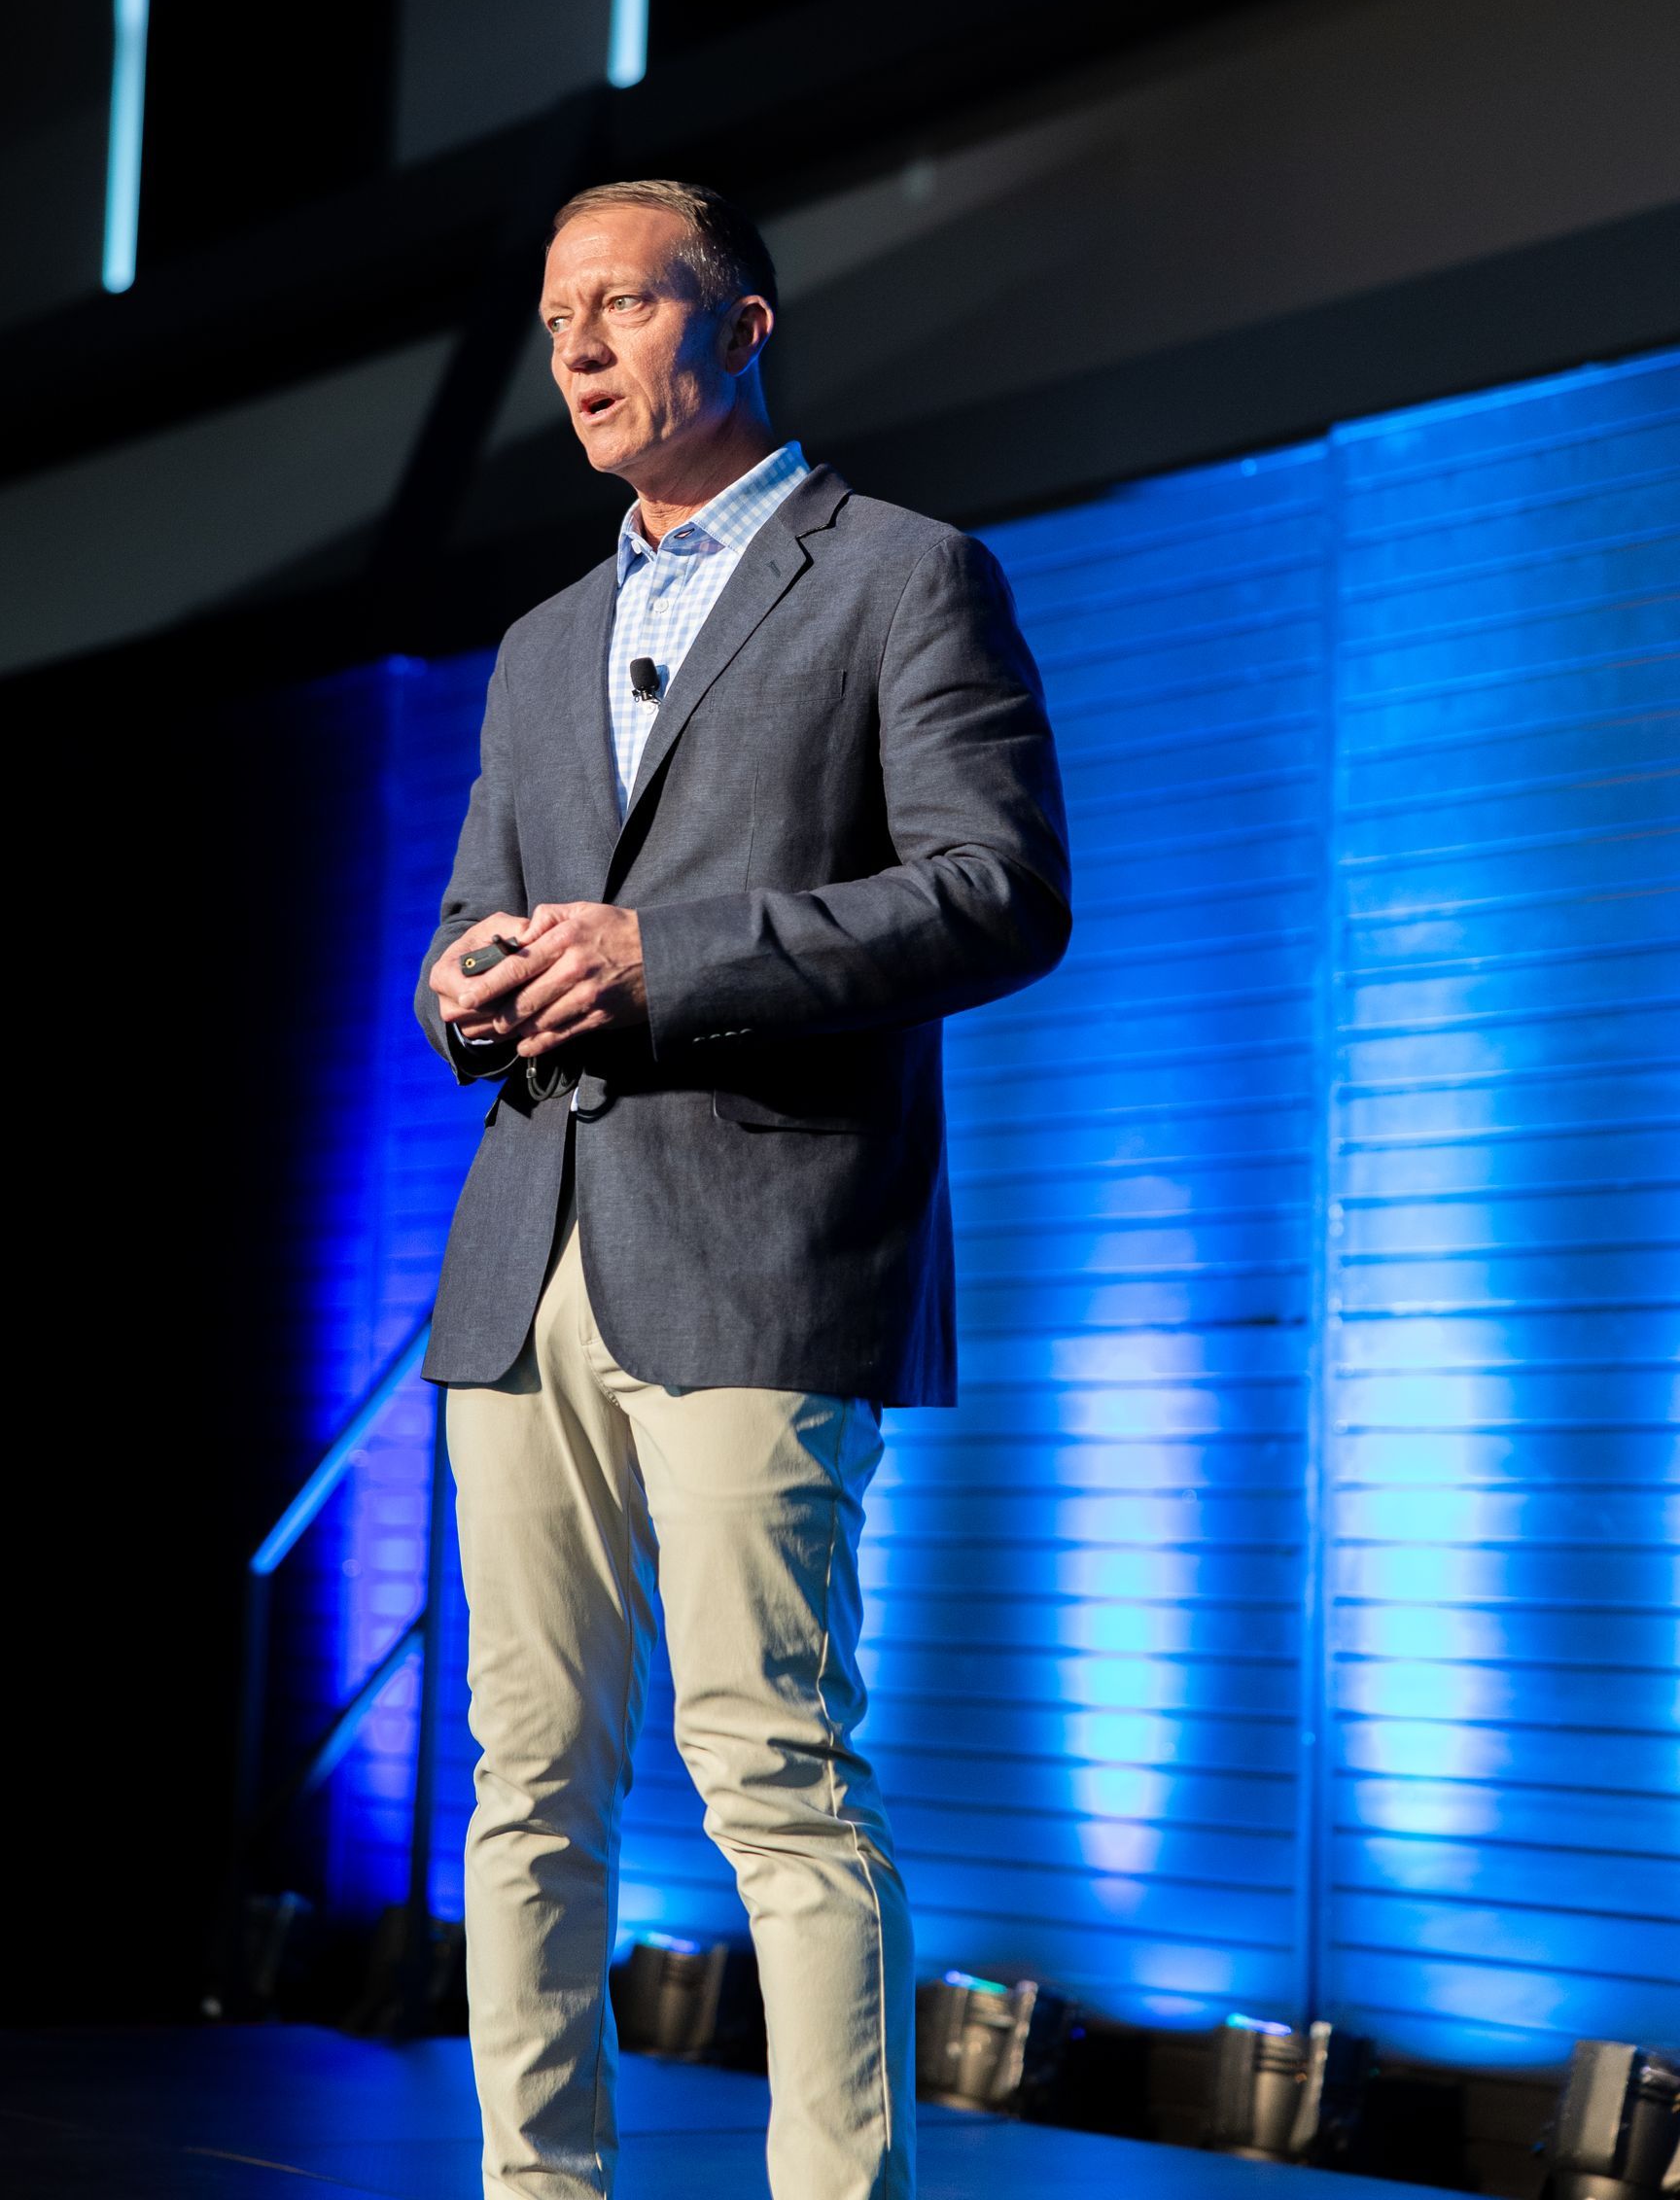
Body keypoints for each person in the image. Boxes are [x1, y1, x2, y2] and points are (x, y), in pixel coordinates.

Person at [415, 178, 1070, 2200]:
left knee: (771, 1769)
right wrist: (462, 985)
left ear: (749, 322)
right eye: (555, 323)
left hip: (765, 1251)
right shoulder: (542, 640)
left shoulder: (898, 574)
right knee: (526, 1784)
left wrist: (663, 962)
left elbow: (997, 891)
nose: (583, 350)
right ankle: (539, 2188)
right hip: (533, 1260)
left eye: (625, 305)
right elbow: (468, 918)